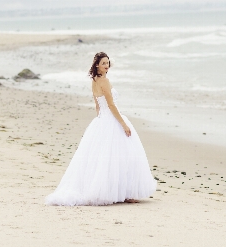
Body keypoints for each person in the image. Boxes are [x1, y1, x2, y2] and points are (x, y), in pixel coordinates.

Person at [45, 52, 156, 206]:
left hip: (102, 120)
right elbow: (111, 105)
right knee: (122, 156)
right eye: (104, 63)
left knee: (105, 158)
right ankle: (125, 194)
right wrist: (123, 123)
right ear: (97, 65)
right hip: (110, 119)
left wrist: (100, 119)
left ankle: (123, 193)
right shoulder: (104, 81)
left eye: (108, 63)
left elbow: (97, 104)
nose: (107, 66)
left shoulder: (95, 80)